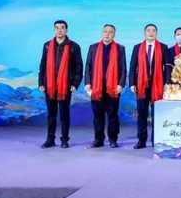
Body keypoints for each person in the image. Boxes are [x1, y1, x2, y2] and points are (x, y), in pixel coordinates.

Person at [38, 20, 83, 148]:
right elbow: (43, 65)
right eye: (57, 28)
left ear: (66, 30)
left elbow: (79, 66)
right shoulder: (47, 45)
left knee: (64, 114)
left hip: (66, 85)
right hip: (49, 85)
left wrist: (75, 83)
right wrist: (41, 82)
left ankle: (64, 140)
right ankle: (50, 139)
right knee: (51, 114)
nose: (59, 30)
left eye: (62, 28)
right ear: (54, 30)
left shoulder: (74, 46)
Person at [84, 24, 127, 148]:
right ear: (102, 33)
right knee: (98, 115)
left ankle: (113, 139)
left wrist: (121, 84)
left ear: (114, 34)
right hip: (96, 88)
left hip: (113, 88)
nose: (107, 34)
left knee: (112, 115)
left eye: (110, 32)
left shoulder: (120, 48)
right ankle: (98, 140)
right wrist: (87, 83)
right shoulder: (93, 48)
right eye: (105, 31)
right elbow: (88, 66)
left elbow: (123, 68)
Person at [129, 24, 169, 149]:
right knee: (142, 113)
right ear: (144, 33)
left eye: (153, 31)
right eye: (148, 30)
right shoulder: (137, 47)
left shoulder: (163, 47)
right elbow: (132, 66)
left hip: (158, 85)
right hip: (141, 85)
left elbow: (167, 67)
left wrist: (167, 83)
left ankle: (155, 140)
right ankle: (141, 140)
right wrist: (132, 83)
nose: (151, 33)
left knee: (157, 113)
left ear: (156, 33)